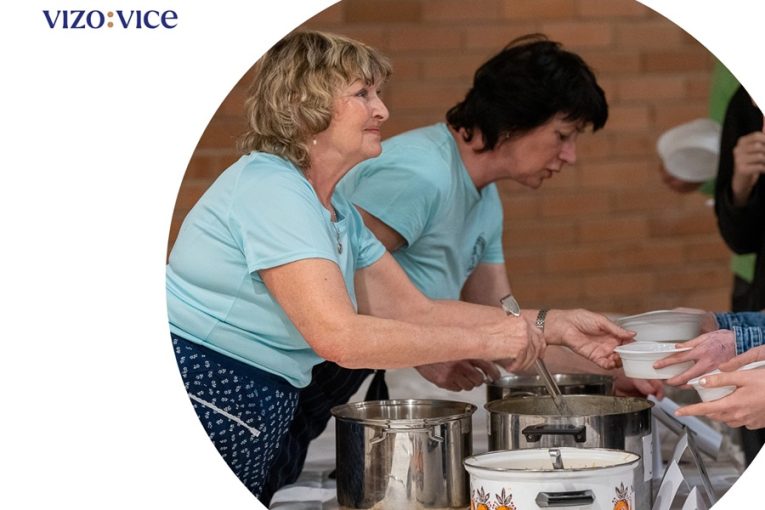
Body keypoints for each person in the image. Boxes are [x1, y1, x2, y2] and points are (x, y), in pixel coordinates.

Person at [166, 31, 631, 502]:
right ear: (305, 103)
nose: (382, 111)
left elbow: (417, 310)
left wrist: (553, 324)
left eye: (378, 94)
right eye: (363, 94)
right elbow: (340, 336)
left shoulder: (334, 209)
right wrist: (488, 339)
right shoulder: (273, 188)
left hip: (263, 397)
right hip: (212, 387)